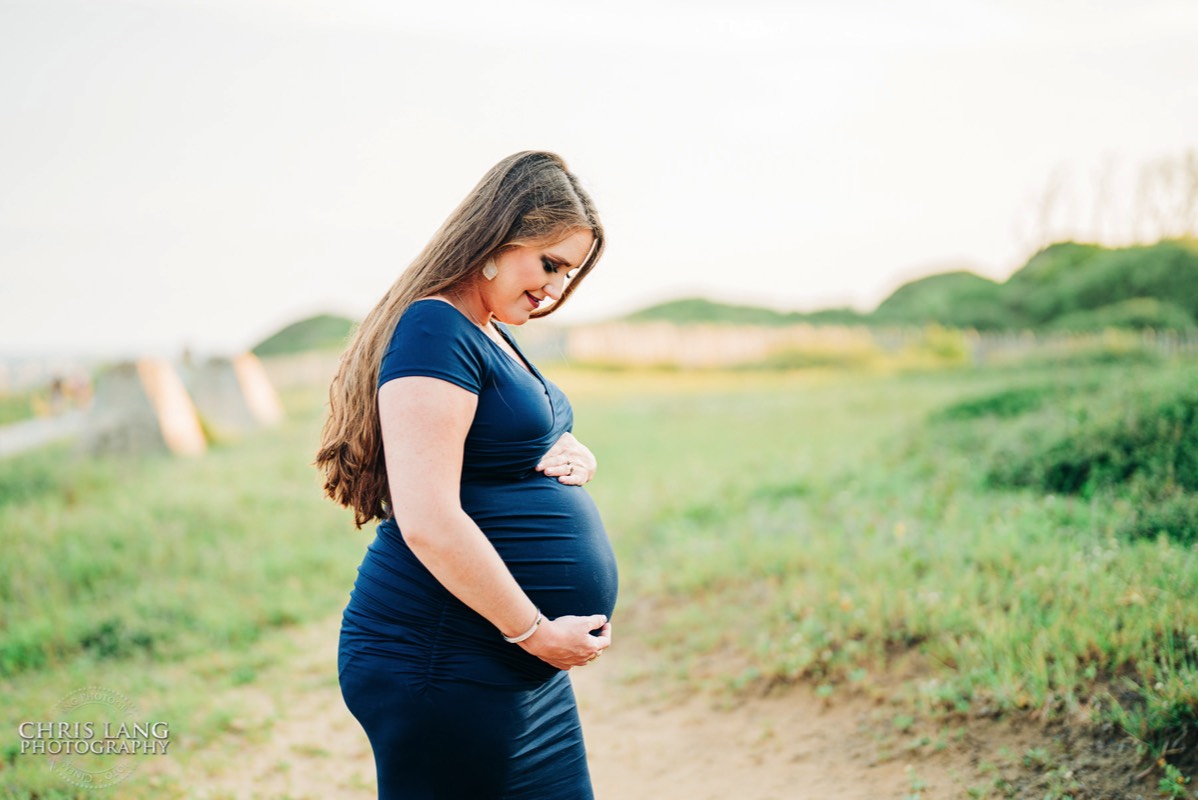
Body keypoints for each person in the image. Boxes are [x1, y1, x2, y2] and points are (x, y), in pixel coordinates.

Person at [315, 151, 618, 799]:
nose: (557, 289)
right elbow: (428, 519)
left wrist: (571, 449)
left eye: (572, 273)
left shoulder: (485, 329)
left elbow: (487, 438)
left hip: (508, 660)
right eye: (551, 264)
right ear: (498, 238)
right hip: (441, 656)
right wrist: (535, 633)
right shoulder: (433, 326)